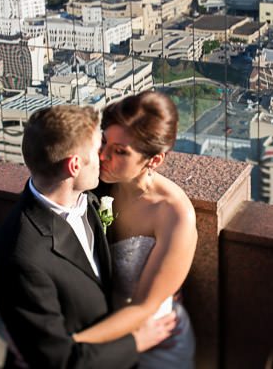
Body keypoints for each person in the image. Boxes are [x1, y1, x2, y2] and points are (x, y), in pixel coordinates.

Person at [0, 104, 175, 369]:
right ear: (74, 165)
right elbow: (59, 362)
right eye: (97, 148)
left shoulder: (89, 196)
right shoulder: (22, 257)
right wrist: (136, 343)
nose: (103, 157)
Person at [72, 91, 197, 368]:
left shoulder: (175, 214)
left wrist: (70, 345)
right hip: (96, 321)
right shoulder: (95, 180)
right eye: (104, 142)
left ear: (154, 161)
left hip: (152, 339)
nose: (102, 156)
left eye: (120, 152)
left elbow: (144, 307)